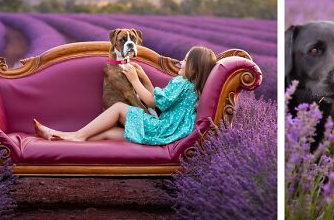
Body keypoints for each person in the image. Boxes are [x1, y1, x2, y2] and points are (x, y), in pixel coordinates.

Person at [33, 46, 217, 145]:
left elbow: (153, 102)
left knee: (119, 108)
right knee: (106, 134)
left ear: (194, 67)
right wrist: (144, 76)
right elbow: (160, 100)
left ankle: (77, 135)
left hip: (161, 129)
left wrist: (134, 79)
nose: (180, 62)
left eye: (185, 60)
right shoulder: (192, 88)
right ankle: (61, 137)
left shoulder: (181, 83)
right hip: (170, 132)